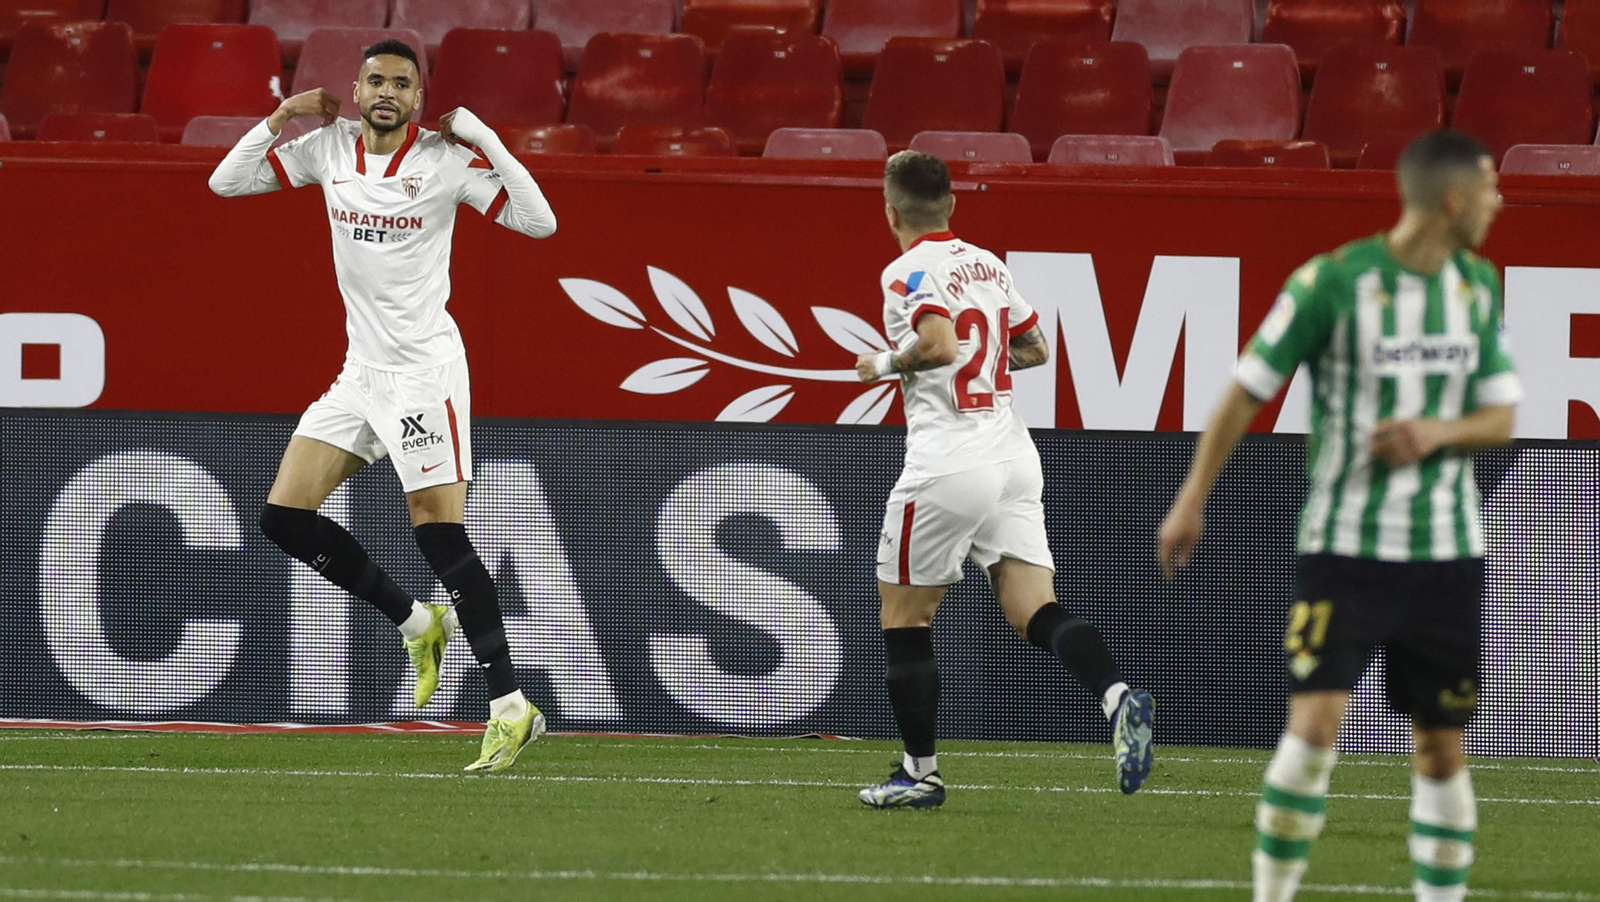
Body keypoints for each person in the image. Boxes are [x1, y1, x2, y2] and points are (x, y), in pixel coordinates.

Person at [1158, 130, 1521, 902]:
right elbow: (1245, 389)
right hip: (1346, 545)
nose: (1499, 200)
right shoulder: (1331, 282)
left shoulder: (1478, 285)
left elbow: (1501, 419)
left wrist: (1437, 433)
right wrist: (1192, 498)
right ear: (1452, 199)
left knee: (1441, 751)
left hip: (1448, 552)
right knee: (1315, 729)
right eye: (1490, 187)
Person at [208, 40, 557, 772]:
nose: (387, 91)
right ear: (356, 90)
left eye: (403, 82)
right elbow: (225, 183)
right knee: (282, 517)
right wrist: (280, 117)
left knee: (438, 533)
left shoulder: (443, 161)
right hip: (360, 373)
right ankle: (415, 619)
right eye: (376, 80)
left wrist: (486, 138)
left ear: (420, 97)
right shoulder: (327, 148)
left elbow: (539, 221)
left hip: (424, 375)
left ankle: (510, 708)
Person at [853, 150, 1155, 809]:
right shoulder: (988, 263)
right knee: (1033, 609)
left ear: (890, 212)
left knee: (904, 614)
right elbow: (1037, 348)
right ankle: (1116, 697)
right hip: (1012, 452)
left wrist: (883, 362)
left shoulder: (906, 269)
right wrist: (987, 354)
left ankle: (920, 774)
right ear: (952, 205)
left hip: (949, 457)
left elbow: (936, 344)